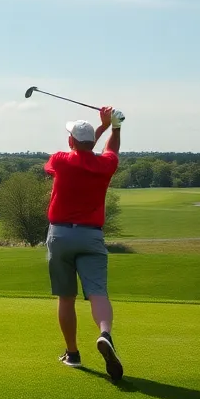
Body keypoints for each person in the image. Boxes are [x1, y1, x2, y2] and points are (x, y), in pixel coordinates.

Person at [44, 106, 124, 381]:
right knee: (98, 293)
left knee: (66, 297)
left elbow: (79, 150)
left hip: (61, 235)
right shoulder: (105, 166)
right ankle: (105, 334)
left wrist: (99, 128)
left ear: (70, 141)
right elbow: (110, 150)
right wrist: (114, 126)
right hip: (91, 236)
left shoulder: (60, 160)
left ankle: (73, 354)